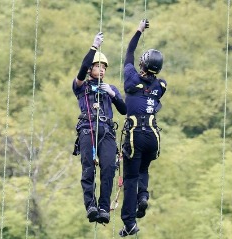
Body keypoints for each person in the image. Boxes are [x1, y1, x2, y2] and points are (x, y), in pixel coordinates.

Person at [72, 32, 127, 224]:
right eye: (97, 66)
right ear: (90, 69)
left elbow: (123, 109)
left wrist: (112, 93)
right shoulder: (81, 86)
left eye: (103, 67)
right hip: (88, 128)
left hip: (106, 131)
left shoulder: (109, 89)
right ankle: (91, 206)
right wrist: (94, 47)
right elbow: (81, 70)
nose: (101, 70)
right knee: (88, 169)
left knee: (109, 169)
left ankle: (104, 207)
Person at [119, 19, 167, 237]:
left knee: (130, 178)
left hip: (134, 134)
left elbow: (129, 53)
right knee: (143, 170)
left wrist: (138, 31)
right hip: (152, 135)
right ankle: (143, 196)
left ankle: (129, 222)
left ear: (143, 65)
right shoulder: (161, 86)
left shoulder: (131, 79)